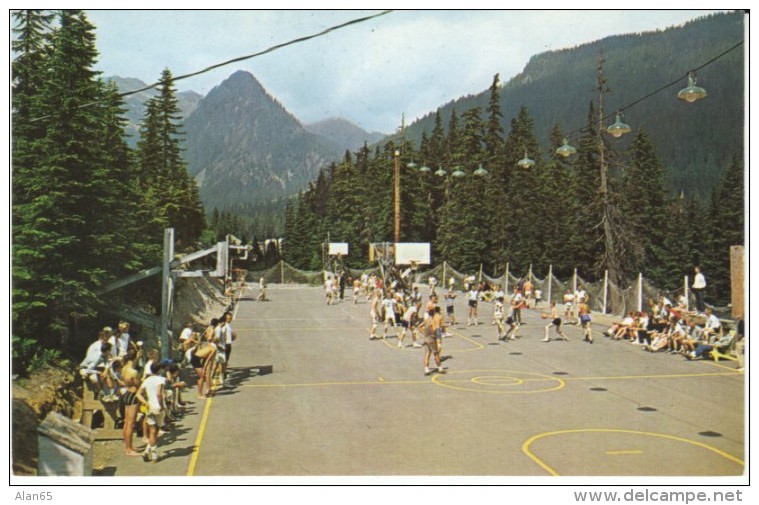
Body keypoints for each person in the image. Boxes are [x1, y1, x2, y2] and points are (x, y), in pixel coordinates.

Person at [135, 361, 166, 463]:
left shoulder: (147, 380)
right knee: (155, 431)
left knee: (152, 430)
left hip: (150, 408)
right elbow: (158, 394)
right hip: (158, 407)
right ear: (160, 370)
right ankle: (154, 455)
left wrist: (146, 403)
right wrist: (161, 406)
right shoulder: (161, 380)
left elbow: (138, 394)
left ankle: (147, 451)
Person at [120, 349, 142, 456]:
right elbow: (139, 385)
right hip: (133, 395)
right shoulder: (134, 372)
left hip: (127, 393)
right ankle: (128, 449)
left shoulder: (124, 368)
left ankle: (128, 446)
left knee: (126, 422)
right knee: (131, 423)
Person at [421, 308, 445, 376]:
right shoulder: (432, 321)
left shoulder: (426, 320)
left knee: (427, 354)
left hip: (426, 338)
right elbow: (434, 329)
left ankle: (426, 369)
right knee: (436, 353)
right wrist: (434, 333)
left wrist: (424, 333)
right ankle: (440, 368)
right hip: (431, 338)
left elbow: (420, 326)